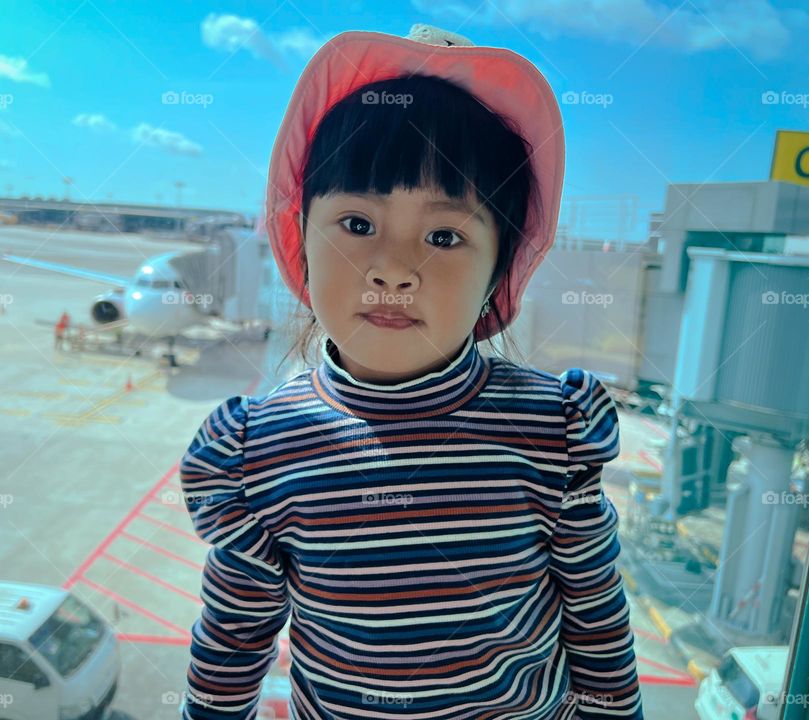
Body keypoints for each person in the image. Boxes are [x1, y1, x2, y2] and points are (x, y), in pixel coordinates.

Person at [179, 24, 643, 720]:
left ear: (500, 271)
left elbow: (596, 614)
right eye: (358, 224)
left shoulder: (553, 434)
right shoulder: (259, 452)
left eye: (444, 236)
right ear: (297, 240)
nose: (393, 269)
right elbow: (234, 637)